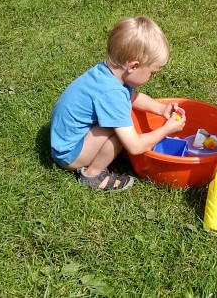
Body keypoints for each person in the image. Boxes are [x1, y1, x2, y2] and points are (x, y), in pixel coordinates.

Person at [50, 16, 187, 191]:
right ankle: (92, 175)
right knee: (121, 130)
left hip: (63, 141)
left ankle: (102, 155)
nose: (152, 77)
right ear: (133, 66)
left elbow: (132, 97)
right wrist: (167, 129)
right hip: (70, 154)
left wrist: (161, 109)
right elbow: (135, 146)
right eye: (152, 73)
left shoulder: (107, 74)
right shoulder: (112, 94)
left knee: (122, 118)